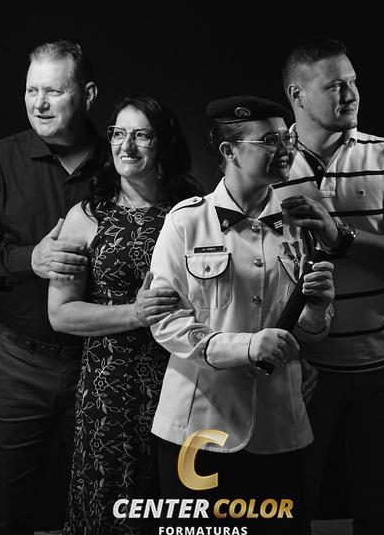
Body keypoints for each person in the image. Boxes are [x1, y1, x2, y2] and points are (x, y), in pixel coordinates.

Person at [148, 96, 337, 534]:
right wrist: (246, 347)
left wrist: (317, 307)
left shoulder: (299, 225)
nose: (285, 149)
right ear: (229, 151)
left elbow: (310, 333)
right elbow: (166, 321)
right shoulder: (186, 221)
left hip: (279, 427)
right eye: (269, 140)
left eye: (287, 138)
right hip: (199, 426)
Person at [278, 37, 384, 535]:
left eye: (353, 81)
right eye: (334, 85)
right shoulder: (268, 163)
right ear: (298, 96)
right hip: (301, 371)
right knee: (290, 506)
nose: (351, 94)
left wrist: (341, 237)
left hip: (383, 368)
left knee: (379, 507)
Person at [48, 95, 202, 535]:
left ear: (164, 142)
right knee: (110, 508)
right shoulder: (86, 217)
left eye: (141, 135)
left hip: (184, 379)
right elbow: (61, 314)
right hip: (110, 389)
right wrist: (135, 313)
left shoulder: (195, 211)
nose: (126, 146)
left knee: (179, 508)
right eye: (118, 133)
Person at [0, 40, 103, 535]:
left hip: (100, 364)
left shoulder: (123, 160)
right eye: (32, 91)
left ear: (88, 95)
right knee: (8, 509)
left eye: (54, 91)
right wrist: (30, 259)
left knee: (98, 504)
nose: (40, 104)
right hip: (16, 365)